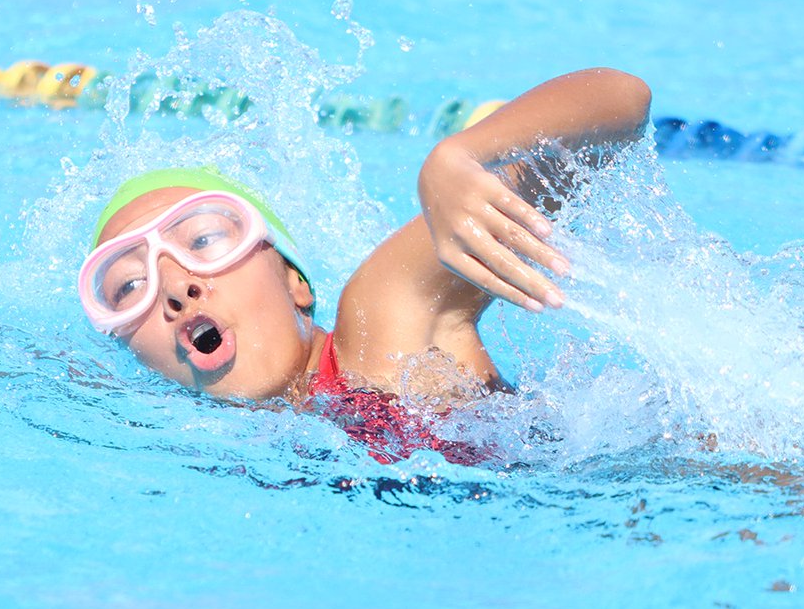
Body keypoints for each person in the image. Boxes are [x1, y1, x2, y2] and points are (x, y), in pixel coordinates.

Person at [78, 67, 651, 460]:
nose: (175, 287)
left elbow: (625, 98)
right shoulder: (197, 444)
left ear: (294, 282)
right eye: (130, 285)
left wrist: (460, 157)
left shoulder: (382, 326)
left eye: (204, 240)